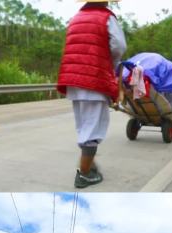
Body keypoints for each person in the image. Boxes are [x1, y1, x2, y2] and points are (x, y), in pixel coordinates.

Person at [57, 0, 127, 189]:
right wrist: (110, 62)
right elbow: (119, 46)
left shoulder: (75, 18)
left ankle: (89, 165)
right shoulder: (106, 17)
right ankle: (84, 174)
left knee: (84, 127)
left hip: (73, 80)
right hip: (94, 78)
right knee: (94, 128)